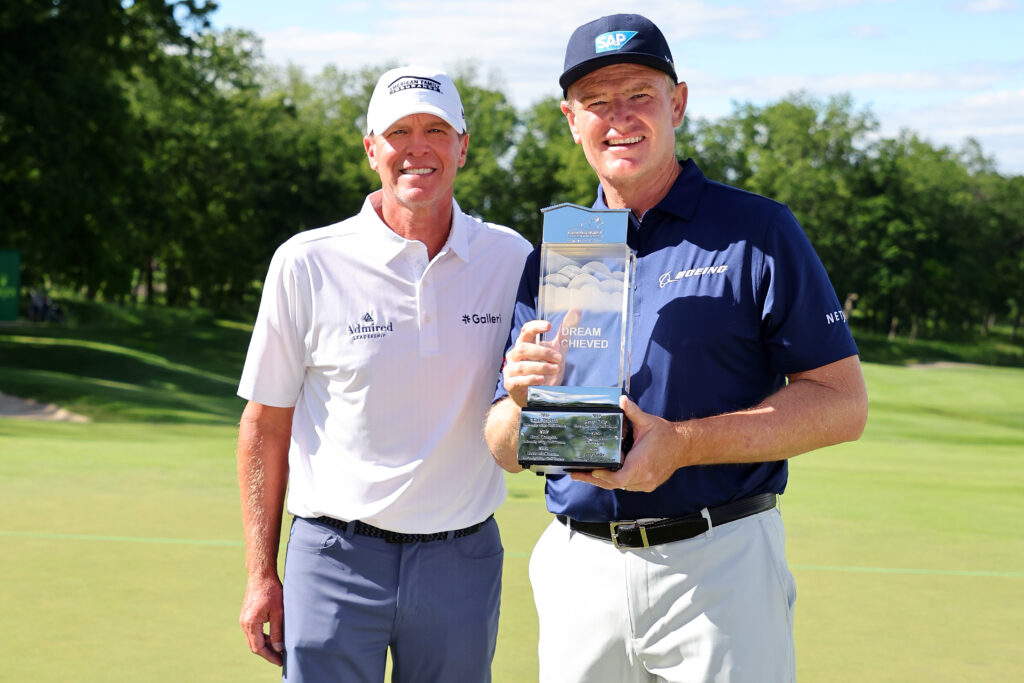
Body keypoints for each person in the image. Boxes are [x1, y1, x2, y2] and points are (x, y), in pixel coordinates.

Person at [484, 14, 869, 683]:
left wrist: (683, 443)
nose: (619, 117)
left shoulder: (757, 229)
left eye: (639, 94)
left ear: (678, 103)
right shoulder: (565, 249)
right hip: (580, 569)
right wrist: (521, 401)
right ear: (571, 119)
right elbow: (502, 445)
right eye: (597, 103)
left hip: (718, 565)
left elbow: (842, 405)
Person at [236, 65, 532, 682]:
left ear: (463, 146)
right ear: (372, 148)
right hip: (334, 557)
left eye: (436, 130)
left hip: (463, 556)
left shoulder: (513, 258)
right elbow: (264, 425)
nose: (417, 148)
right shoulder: (306, 261)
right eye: (399, 132)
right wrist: (262, 573)